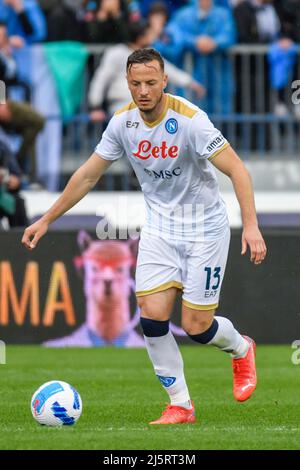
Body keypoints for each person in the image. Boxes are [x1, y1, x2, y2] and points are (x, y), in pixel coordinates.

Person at [22, 48, 267, 425]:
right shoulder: (122, 123)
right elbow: (88, 174)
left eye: (151, 82)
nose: (144, 90)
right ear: (127, 83)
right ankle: (181, 405)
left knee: (197, 327)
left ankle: (240, 347)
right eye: (136, 83)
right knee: (152, 319)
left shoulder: (190, 120)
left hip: (205, 229)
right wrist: (47, 219)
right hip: (159, 230)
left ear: (165, 81)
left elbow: (237, 170)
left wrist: (250, 225)